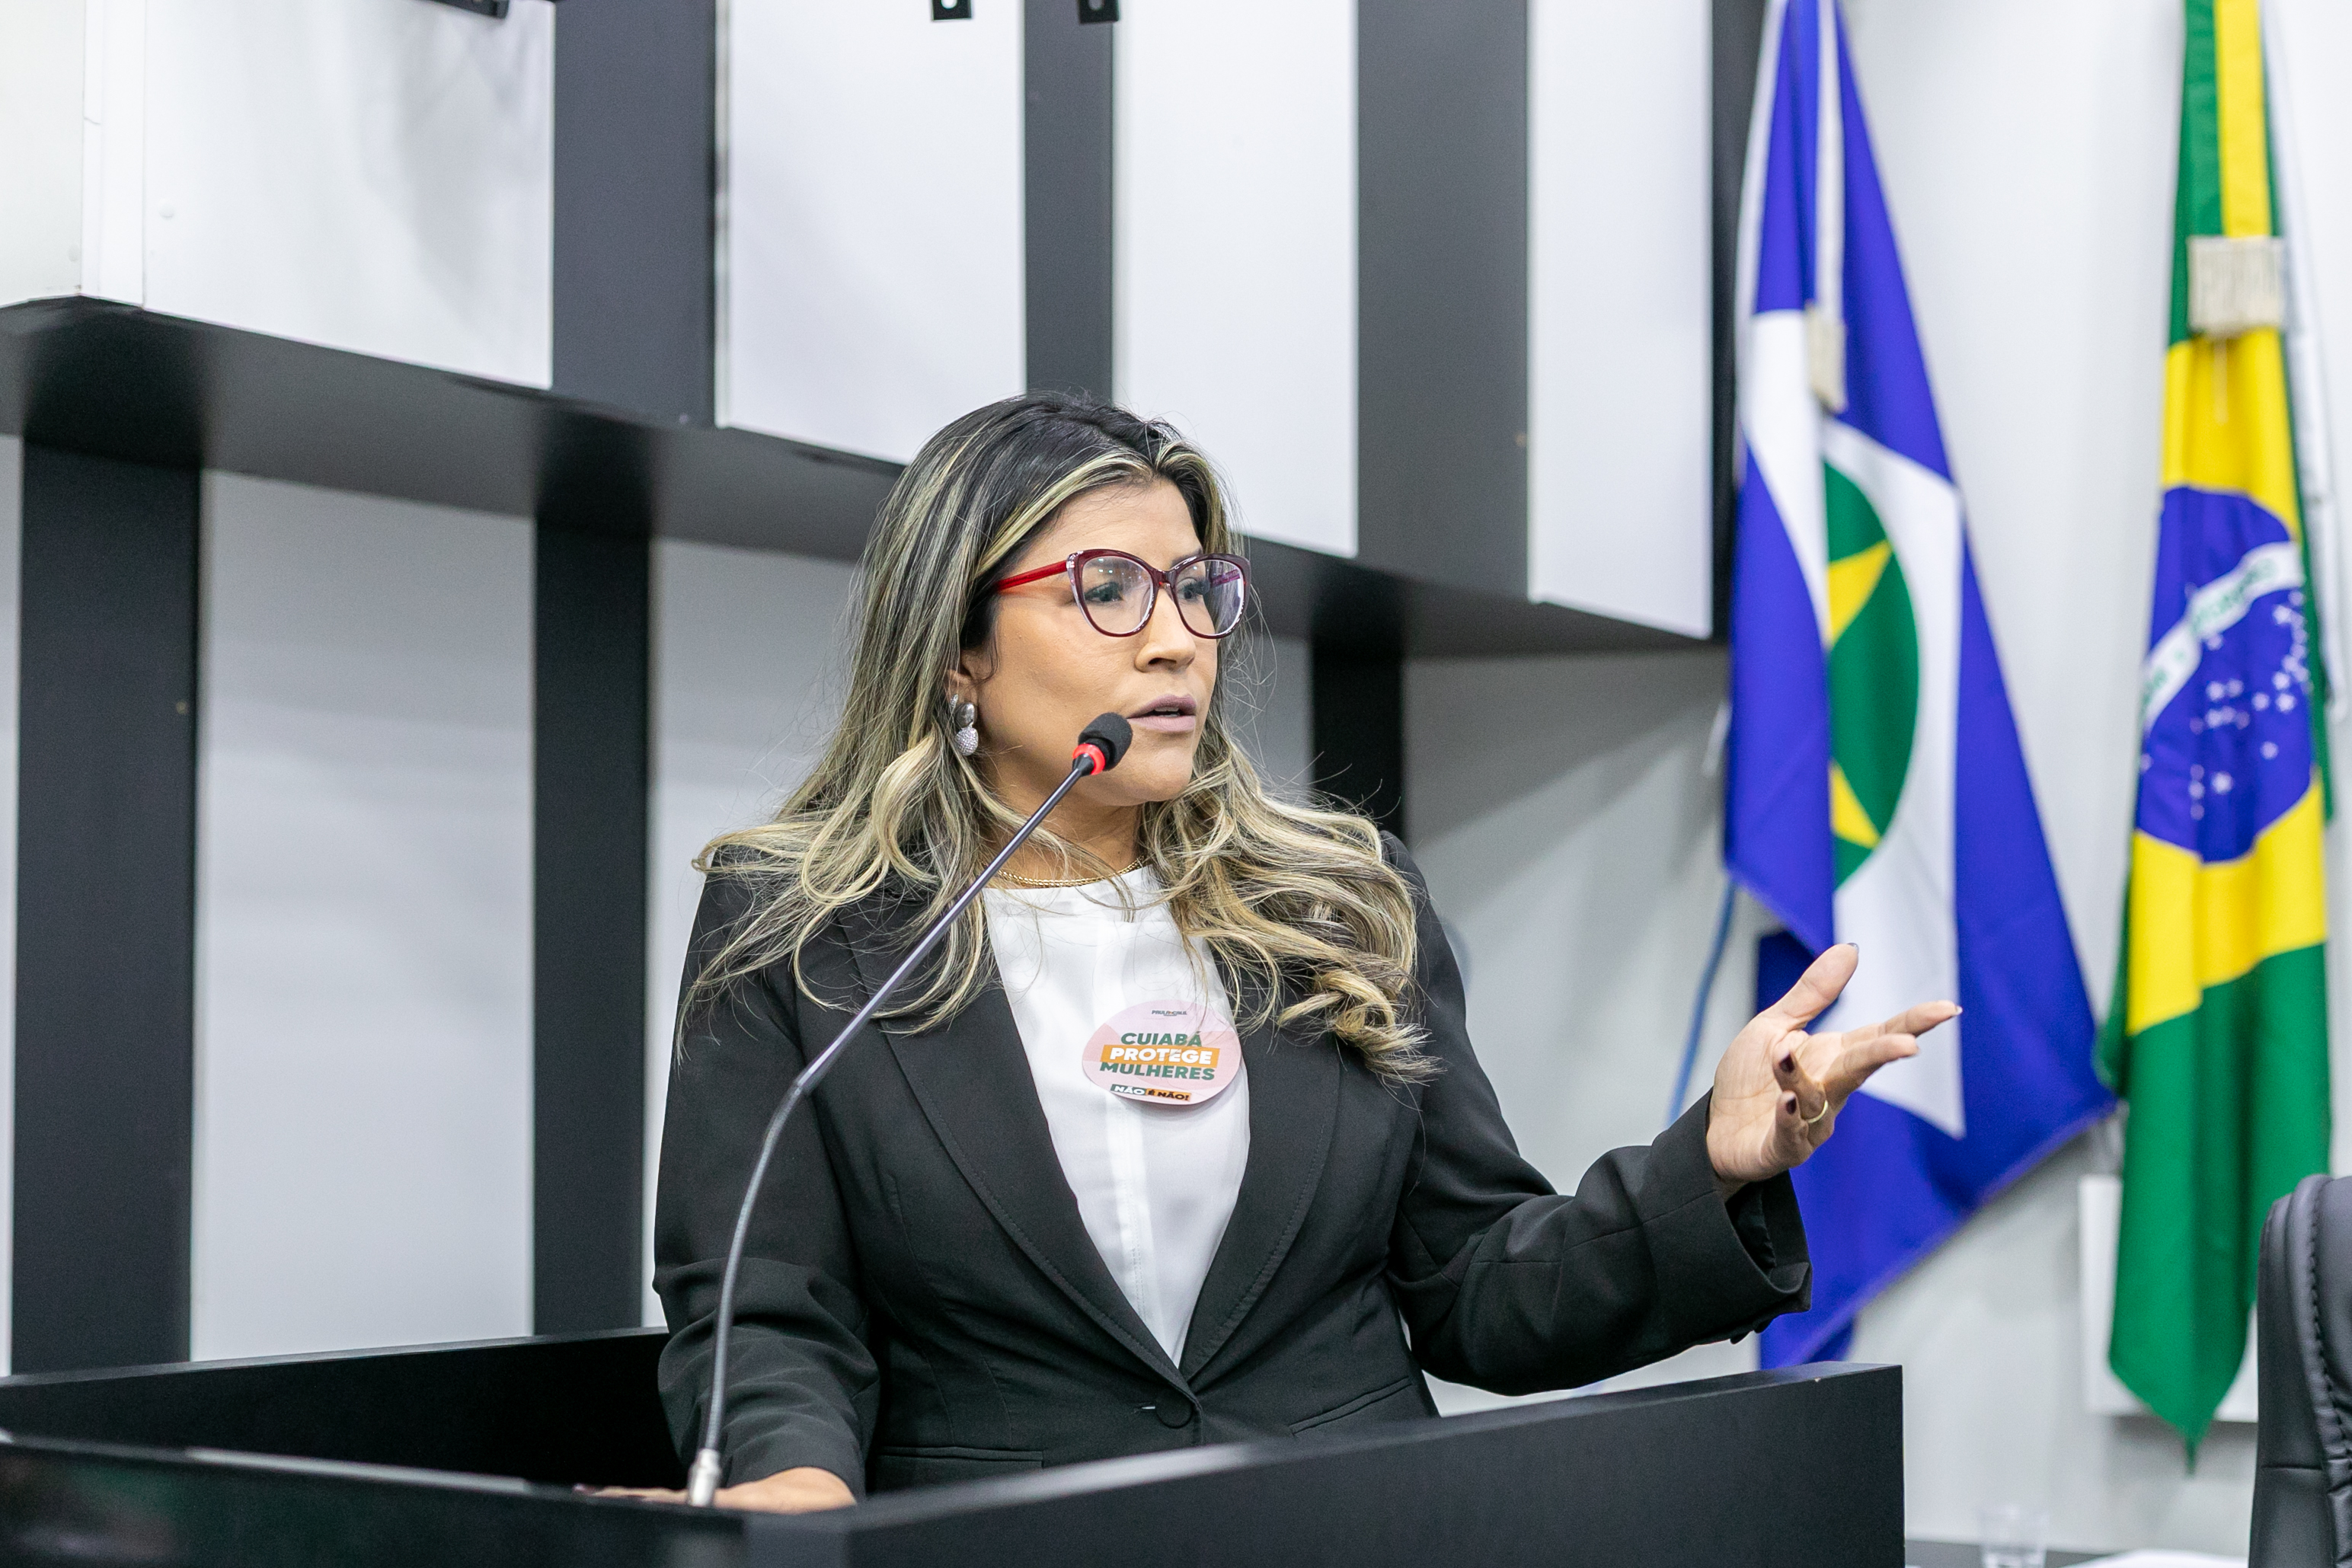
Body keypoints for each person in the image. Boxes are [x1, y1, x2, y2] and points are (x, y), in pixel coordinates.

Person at [631, 393, 1955, 1513]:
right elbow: (769, 1305)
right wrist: (789, 1479)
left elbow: (1476, 1286)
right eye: (1107, 590)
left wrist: (1710, 1166)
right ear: (957, 649)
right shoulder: (803, 929)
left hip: (1351, 1538)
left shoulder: (1339, 907)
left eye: (1196, 590)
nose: (1175, 638)